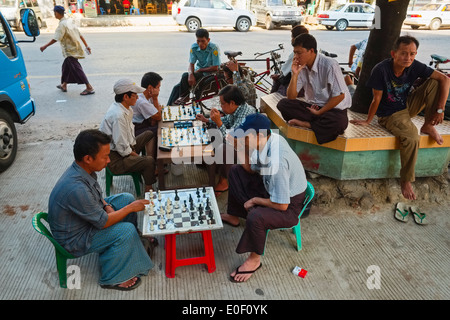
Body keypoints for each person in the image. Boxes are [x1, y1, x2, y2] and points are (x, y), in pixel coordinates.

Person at [48, 129, 154, 290]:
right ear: (88, 158)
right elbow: (103, 222)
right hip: (75, 239)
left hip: (84, 219)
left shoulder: (83, 170)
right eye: (105, 157)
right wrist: (130, 209)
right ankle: (112, 278)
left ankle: (132, 243)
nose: (109, 161)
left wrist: (106, 205)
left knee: (126, 198)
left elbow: (97, 196)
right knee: (126, 228)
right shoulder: (76, 188)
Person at [350, 35, 450, 201]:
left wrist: (440, 109)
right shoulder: (381, 70)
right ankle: (406, 180)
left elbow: (445, 80)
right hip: (389, 114)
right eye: (404, 53)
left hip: (407, 106)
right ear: (393, 53)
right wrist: (368, 121)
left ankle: (427, 125)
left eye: (412, 54)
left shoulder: (414, 65)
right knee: (412, 137)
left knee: (435, 82)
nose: (408, 58)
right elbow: (376, 99)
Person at [221, 113, 307, 283]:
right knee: (236, 171)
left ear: (258, 136)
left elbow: (282, 205)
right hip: (271, 187)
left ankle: (254, 260)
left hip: (289, 205)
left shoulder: (277, 161)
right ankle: (234, 215)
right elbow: (250, 169)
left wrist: (255, 201)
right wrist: (239, 147)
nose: (241, 138)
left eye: (245, 136)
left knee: (256, 216)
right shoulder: (268, 140)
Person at [276, 33, 351, 144]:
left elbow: (340, 96)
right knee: (283, 104)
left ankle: (308, 124)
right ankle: (318, 124)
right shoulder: (302, 66)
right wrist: (295, 74)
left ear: (311, 51)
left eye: (299, 53)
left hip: (332, 109)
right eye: (294, 52)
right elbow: (291, 97)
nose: (296, 56)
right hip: (313, 108)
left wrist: (320, 112)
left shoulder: (330, 65)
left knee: (339, 123)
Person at [196, 85, 256, 194]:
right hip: (235, 142)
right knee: (211, 130)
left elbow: (232, 140)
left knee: (224, 148)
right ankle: (213, 163)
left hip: (247, 151)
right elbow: (226, 121)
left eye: (222, 104)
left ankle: (224, 181)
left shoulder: (245, 114)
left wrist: (218, 122)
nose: (221, 106)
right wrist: (207, 120)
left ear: (232, 103)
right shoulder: (237, 109)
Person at [100, 79, 156, 193]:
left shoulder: (126, 108)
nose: (137, 98)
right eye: (135, 95)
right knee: (149, 161)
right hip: (116, 158)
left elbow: (128, 137)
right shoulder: (118, 115)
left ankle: (147, 170)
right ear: (126, 97)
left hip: (127, 146)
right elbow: (121, 147)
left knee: (149, 134)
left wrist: (134, 151)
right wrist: (137, 157)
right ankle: (148, 189)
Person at [40, 6, 95, 96]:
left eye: (54, 13)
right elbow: (80, 35)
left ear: (57, 13)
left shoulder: (62, 25)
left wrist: (45, 46)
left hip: (70, 51)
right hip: (75, 49)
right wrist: (86, 46)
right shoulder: (69, 22)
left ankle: (89, 87)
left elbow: (56, 38)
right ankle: (64, 85)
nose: (54, 14)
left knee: (77, 69)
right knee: (66, 67)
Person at [167, 28, 221, 106]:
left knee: (184, 76)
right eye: (198, 41)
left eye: (203, 41)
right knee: (176, 87)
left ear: (208, 40)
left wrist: (200, 70)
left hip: (210, 73)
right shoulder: (194, 48)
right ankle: (168, 107)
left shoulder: (214, 48)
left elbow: (215, 67)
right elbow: (191, 64)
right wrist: (191, 74)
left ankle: (185, 97)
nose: (200, 44)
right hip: (198, 72)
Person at [131, 72, 163, 158]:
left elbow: (158, 111)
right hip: (135, 129)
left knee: (157, 126)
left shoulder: (147, 96)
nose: (159, 90)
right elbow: (158, 116)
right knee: (159, 130)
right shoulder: (142, 101)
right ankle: (155, 161)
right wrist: (155, 98)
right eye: (158, 87)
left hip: (143, 124)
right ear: (150, 88)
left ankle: (156, 159)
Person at [271, 25, 309, 96]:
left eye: (292, 37)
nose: (291, 39)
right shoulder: (304, 51)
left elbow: (287, 73)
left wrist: (279, 77)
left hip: (298, 88)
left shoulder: (296, 54)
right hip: (300, 86)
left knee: (277, 86)